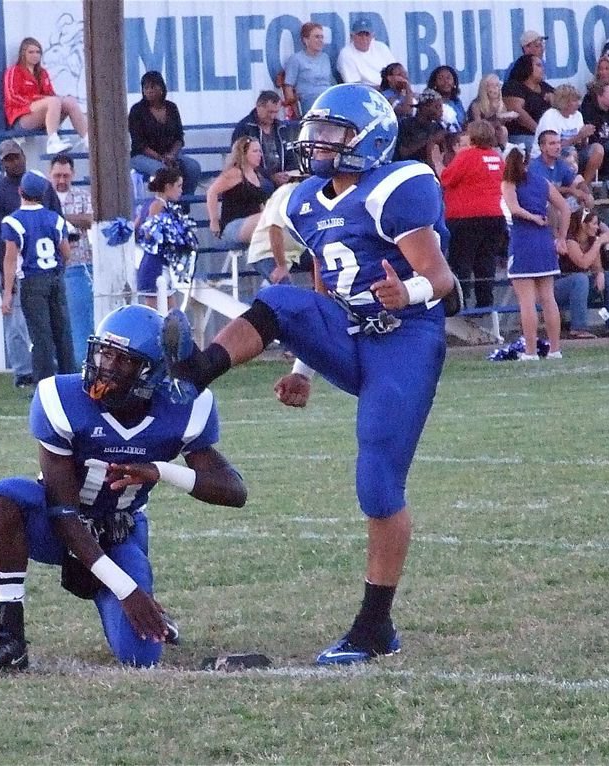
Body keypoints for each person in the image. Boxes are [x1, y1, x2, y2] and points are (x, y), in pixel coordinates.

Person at [164, 83, 458, 665]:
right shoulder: (302, 200)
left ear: (367, 139)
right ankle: (195, 372)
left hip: (406, 339)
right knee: (285, 297)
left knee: (377, 483)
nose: (316, 142)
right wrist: (305, 363)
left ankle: (375, 627)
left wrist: (408, 291)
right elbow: (325, 287)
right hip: (351, 335)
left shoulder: (399, 185)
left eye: (332, 132)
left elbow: (442, 279)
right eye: (316, 130)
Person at [0, 304, 248, 673]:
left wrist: (161, 470)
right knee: (9, 497)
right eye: (103, 353)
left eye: (121, 359)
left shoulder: (184, 408)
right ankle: (9, 637)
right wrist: (125, 588)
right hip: (59, 529)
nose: (105, 366)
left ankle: (120, 591)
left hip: (118, 534)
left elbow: (234, 491)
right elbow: (63, 510)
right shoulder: (61, 398)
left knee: (140, 656)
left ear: (152, 372)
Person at [0, 139, 65, 390]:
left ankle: (52, 370)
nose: (14, 162)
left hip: (43, 270)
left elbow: (57, 223)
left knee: (48, 324)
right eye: (8, 159)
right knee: (17, 325)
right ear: (2, 162)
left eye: (16, 156)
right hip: (16, 269)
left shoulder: (42, 187)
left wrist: (57, 265)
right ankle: (23, 373)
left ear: (23, 156)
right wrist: (8, 276)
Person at [1, 171, 77, 383]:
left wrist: (7, 292)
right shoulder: (55, 219)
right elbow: (66, 252)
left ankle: (44, 384)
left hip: (32, 281)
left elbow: (10, 258)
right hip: (54, 277)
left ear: (20, 191)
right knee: (62, 331)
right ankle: (69, 379)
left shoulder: (13, 221)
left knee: (40, 335)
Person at [502, 146, 569, 359]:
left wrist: (532, 218)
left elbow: (513, 208)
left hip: (523, 241)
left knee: (527, 301)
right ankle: (555, 349)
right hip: (544, 241)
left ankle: (530, 351)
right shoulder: (543, 182)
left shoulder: (509, 183)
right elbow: (565, 208)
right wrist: (561, 237)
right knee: (548, 298)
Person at [442, 120, 506, 310]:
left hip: (466, 217)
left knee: (462, 261)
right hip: (495, 215)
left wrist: (439, 164)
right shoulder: (497, 158)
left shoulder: (467, 156)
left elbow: (446, 178)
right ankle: (485, 304)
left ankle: (460, 304)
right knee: (486, 261)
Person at [2, 37, 87, 154]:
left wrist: (52, 100)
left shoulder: (42, 73)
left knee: (69, 101)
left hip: (41, 114)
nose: (35, 55)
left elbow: (50, 94)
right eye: (31, 52)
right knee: (53, 101)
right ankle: (52, 141)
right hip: (21, 117)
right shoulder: (14, 71)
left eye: (38, 52)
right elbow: (12, 97)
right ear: (23, 53)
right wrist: (38, 101)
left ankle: (87, 139)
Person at [49, 154, 95, 365]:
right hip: (52, 267)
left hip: (80, 264)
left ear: (73, 174)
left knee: (80, 319)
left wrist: (60, 218)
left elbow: (90, 219)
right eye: (57, 175)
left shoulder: (82, 196)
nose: (61, 180)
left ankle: (81, 362)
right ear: (50, 174)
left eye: (66, 175)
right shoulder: (43, 197)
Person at [128, 71, 202, 196]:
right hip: (142, 156)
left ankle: (183, 204)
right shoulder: (137, 110)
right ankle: (164, 207)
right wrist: (161, 158)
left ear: (161, 88)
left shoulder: (172, 108)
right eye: (146, 88)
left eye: (153, 87)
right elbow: (139, 144)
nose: (149, 91)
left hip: (170, 154)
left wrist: (171, 155)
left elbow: (179, 137)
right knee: (164, 171)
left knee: (193, 167)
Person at [554, 209, 609, 338]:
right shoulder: (570, 241)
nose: (597, 227)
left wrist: (600, 273)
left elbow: (596, 266)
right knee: (580, 279)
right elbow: (583, 263)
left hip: (583, 286)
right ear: (583, 225)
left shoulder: (592, 241)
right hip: (561, 286)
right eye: (594, 224)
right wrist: (598, 243)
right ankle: (578, 328)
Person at [134, 167, 197, 310]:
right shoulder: (158, 205)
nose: (181, 190)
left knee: (171, 314)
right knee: (158, 315)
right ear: (168, 186)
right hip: (154, 266)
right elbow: (149, 232)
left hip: (159, 264)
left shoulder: (151, 203)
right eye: (179, 186)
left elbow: (135, 228)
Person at [245, 170, 314, 287]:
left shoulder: (313, 195)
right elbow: (274, 229)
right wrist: (281, 266)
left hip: (295, 253)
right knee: (286, 292)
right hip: (267, 253)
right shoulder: (287, 192)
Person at [206, 137, 274, 245]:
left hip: (252, 223)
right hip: (234, 225)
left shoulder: (257, 175)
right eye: (255, 151)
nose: (259, 155)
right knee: (269, 218)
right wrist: (214, 220)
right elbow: (212, 192)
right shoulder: (235, 173)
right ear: (244, 153)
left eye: (260, 151)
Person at [533, 84, 603, 182]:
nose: (578, 104)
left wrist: (584, 137)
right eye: (574, 101)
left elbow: (582, 146)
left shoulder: (578, 115)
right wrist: (579, 136)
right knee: (570, 154)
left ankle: (583, 185)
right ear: (564, 102)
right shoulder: (550, 116)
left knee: (597, 149)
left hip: (573, 153)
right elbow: (553, 146)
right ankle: (570, 188)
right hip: (548, 154)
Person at [230, 90, 295, 187]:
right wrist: (271, 177)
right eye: (269, 112)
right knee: (266, 186)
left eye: (276, 112)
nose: (272, 116)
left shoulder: (282, 128)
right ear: (258, 107)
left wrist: (288, 174)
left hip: (282, 176)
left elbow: (291, 155)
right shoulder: (244, 128)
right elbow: (240, 160)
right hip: (256, 177)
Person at [528, 130, 591, 214]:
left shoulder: (560, 163)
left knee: (586, 199)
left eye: (558, 143)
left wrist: (585, 192)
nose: (557, 147)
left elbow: (575, 180)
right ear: (542, 147)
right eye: (552, 143)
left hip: (558, 205)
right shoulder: (535, 166)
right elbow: (547, 190)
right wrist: (572, 191)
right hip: (540, 207)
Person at [503, 54, 555, 153]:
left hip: (547, 135)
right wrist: (541, 132)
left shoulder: (544, 87)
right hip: (522, 135)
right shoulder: (513, 86)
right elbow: (517, 112)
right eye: (538, 65)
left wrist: (554, 100)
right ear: (527, 67)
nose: (542, 69)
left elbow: (563, 103)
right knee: (544, 149)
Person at [283, 22, 335, 117]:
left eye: (321, 37)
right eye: (316, 37)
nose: (320, 40)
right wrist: (294, 110)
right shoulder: (296, 59)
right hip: (310, 103)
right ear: (306, 40)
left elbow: (331, 82)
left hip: (329, 98)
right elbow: (288, 86)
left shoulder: (325, 57)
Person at [337, 18, 397, 86]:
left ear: (372, 36)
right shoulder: (346, 54)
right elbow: (355, 86)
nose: (364, 39)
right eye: (360, 35)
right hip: (366, 93)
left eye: (367, 35)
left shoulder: (381, 47)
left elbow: (395, 71)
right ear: (352, 36)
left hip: (389, 88)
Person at [468, 73, 514, 146]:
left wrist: (505, 119)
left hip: (497, 136)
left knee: (503, 130)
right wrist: (495, 117)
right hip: (480, 136)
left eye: (497, 85)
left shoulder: (501, 104)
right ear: (484, 88)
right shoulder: (476, 105)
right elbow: (478, 127)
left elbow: (500, 125)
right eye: (492, 85)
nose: (495, 88)